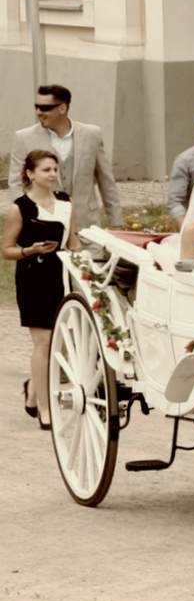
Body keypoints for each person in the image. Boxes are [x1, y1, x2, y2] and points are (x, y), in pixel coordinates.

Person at [2, 150, 81, 430]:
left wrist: (82, 266)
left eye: (54, 169)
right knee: (43, 342)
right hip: (33, 275)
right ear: (31, 174)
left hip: (60, 273)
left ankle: (33, 389)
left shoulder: (66, 202)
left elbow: (73, 241)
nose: (52, 174)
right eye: (46, 169)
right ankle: (46, 408)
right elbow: (7, 250)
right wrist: (29, 250)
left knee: (60, 339)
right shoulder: (19, 208)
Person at [7, 84, 123, 232]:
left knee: (91, 256)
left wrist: (116, 222)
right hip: (44, 227)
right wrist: (27, 220)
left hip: (87, 225)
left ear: (62, 108)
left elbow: (107, 182)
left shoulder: (92, 134)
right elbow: (16, 183)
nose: (38, 112)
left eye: (44, 108)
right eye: (36, 107)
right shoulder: (23, 138)